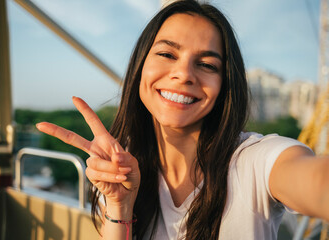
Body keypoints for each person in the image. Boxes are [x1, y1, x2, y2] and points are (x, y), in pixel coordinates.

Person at [36, 0, 329, 239]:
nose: (184, 74)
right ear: (140, 66)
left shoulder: (254, 162)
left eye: (206, 64)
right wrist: (119, 206)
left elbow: (315, 180)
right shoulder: (119, 165)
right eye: (166, 53)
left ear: (225, 85)